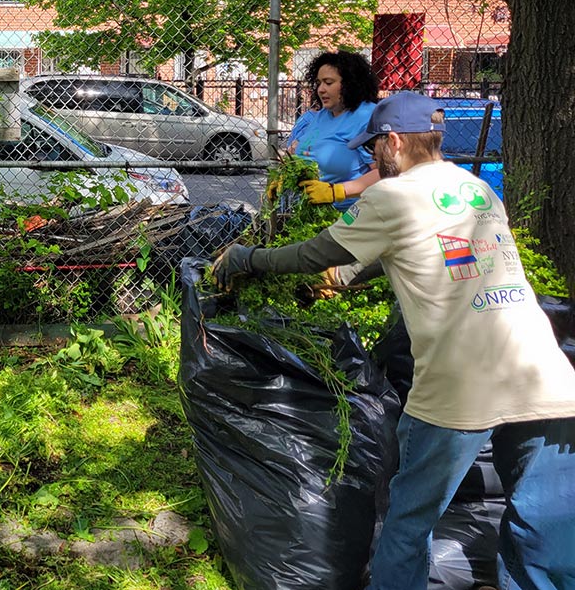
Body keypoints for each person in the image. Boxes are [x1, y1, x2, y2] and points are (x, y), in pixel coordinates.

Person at [214, 92, 575, 590]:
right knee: (543, 525)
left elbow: (312, 254)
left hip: (459, 384)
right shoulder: (476, 191)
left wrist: (246, 258)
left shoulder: (390, 196)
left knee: (409, 520)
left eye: (374, 147)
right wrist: (350, 275)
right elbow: (433, 252)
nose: (370, 158)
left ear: (396, 141)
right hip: (546, 375)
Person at [287, 50, 381, 206]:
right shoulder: (322, 115)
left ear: (350, 84)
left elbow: (386, 173)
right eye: (319, 83)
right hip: (310, 213)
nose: (321, 89)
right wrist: (284, 177)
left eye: (328, 83)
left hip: (351, 215)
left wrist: (337, 191)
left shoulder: (367, 117)